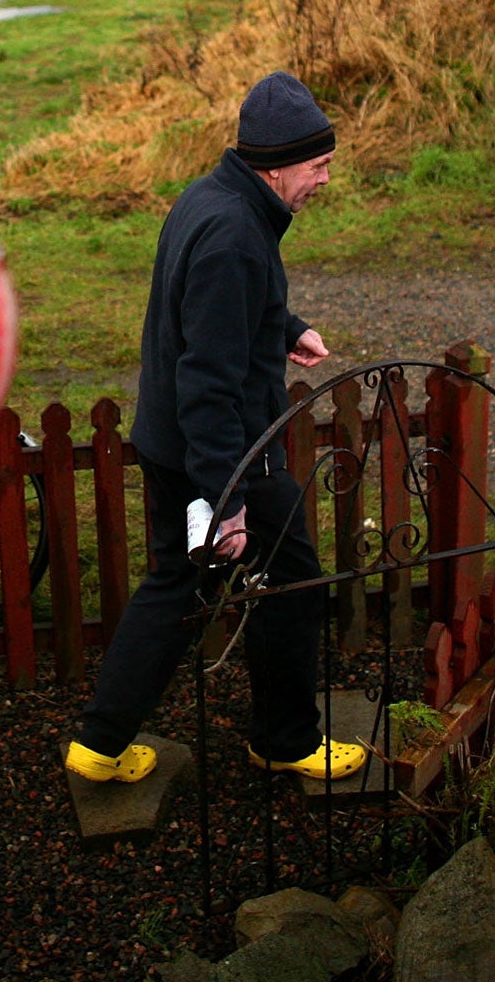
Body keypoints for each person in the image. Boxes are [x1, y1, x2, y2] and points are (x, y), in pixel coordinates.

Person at [66, 71, 368, 784]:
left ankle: (99, 745)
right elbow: (208, 380)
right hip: (227, 450)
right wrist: (227, 500)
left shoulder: (212, 198)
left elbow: (204, 311)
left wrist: (283, 327)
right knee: (293, 579)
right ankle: (287, 740)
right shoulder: (236, 233)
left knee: (176, 582)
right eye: (319, 164)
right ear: (279, 163)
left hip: (174, 441)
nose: (327, 178)